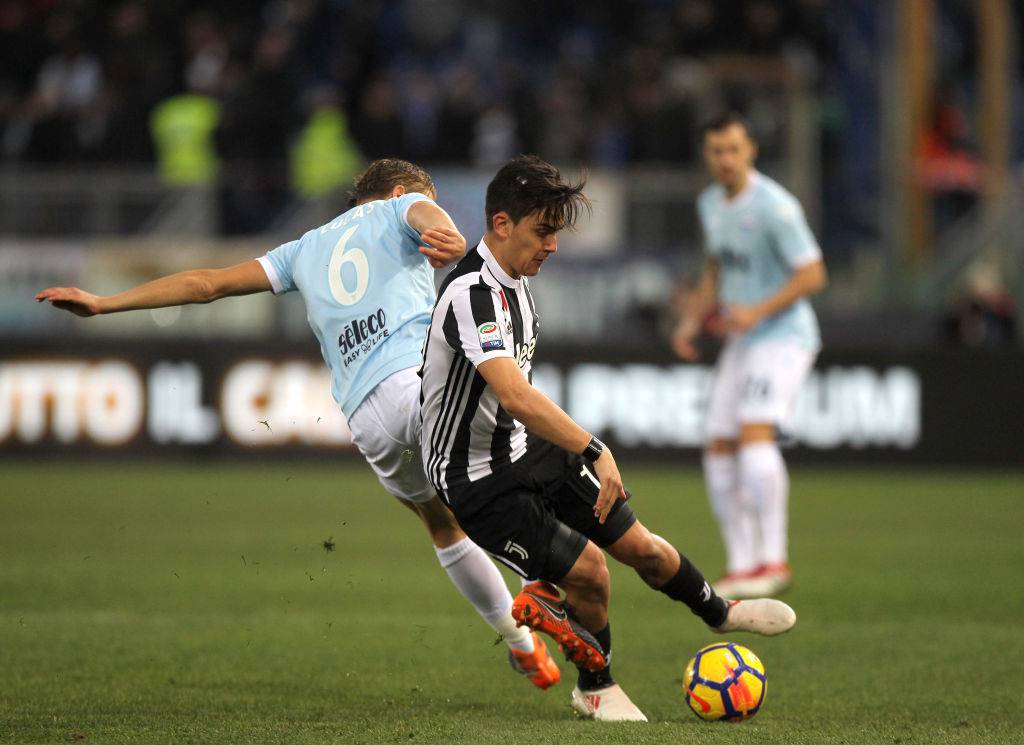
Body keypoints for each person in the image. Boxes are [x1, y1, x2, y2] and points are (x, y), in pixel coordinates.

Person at [35, 158, 560, 690]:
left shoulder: (301, 249)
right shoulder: (404, 206)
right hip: (415, 382)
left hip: (366, 421)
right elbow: (428, 219)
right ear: (399, 191)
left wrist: (103, 304)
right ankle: (545, 580)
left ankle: (523, 648)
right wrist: (445, 234)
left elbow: (206, 283)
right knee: (505, 458)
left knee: (442, 524)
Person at [419, 154, 796, 722]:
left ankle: (718, 612)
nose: (551, 245)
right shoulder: (472, 293)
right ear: (501, 224)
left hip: (521, 447)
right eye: (542, 231)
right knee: (592, 571)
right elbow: (516, 395)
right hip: (474, 478)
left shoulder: (515, 284)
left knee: (640, 545)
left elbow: (516, 406)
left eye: (555, 233)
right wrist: (593, 447)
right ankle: (595, 685)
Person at [671, 113, 828, 599]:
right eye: (717, 150)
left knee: (754, 434)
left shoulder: (776, 207)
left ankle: (773, 560)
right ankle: (742, 564)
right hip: (742, 340)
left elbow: (813, 275)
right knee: (718, 442)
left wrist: (756, 312)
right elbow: (716, 268)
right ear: (707, 155)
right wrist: (693, 319)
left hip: (783, 336)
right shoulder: (710, 204)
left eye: (733, 149)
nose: (725, 159)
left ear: (751, 150)